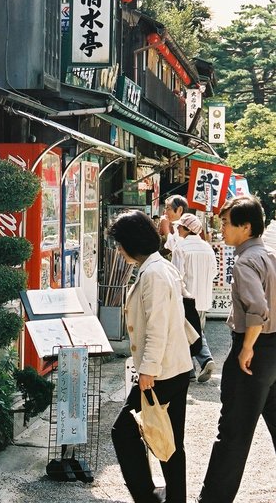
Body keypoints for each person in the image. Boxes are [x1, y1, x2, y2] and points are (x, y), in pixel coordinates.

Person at [109, 210, 193, 503]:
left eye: (119, 244)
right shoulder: (159, 267)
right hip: (173, 367)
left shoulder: (153, 273)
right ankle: (172, 498)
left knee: (124, 431)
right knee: (170, 441)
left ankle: (148, 496)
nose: (118, 250)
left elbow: (157, 325)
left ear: (131, 242)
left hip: (161, 372)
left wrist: (147, 371)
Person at [198, 195, 276, 503]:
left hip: (254, 352)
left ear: (245, 227)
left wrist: (246, 348)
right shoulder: (269, 255)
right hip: (274, 350)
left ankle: (213, 499)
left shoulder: (245, 261)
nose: (222, 230)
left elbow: (257, 309)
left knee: (233, 432)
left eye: (226, 223)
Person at [172, 212, 218, 383]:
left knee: (189, 332)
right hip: (203, 298)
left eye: (179, 226)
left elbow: (176, 276)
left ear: (186, 229)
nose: (177, 228)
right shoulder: (207, 248)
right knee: (192, 331)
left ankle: (205, 359)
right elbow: (214, 272)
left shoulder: (181, 247)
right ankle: (189, 370)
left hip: (186, 298)